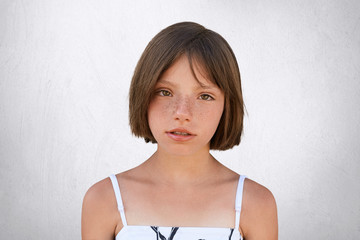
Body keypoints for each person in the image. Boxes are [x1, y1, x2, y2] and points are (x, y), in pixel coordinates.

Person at [81, 21, 278, 240]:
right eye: (165, 92)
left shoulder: (256, 204)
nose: (182, 113)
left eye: (204, 96)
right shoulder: (103, 199)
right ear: (143, 94)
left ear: (227, 105)